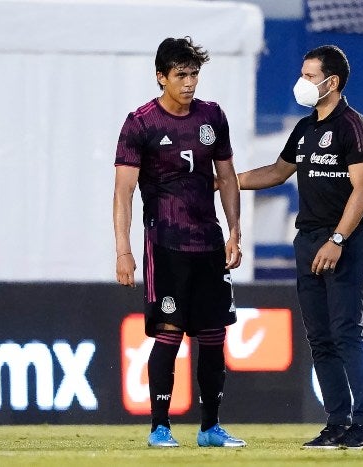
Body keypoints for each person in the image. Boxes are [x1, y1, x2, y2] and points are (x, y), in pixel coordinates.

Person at [237, 45, 363, 450]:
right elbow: (276, 171)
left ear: (331, 82)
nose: (301, 82)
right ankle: (337, 422)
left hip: (342, 242)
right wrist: (225, 181)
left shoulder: (354, 127)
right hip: (306, 241)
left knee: (345, 333)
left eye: (308, 75)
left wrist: (338, 239)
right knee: (319, 337)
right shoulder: (305, 128)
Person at [113, 36, 245, 448]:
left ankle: (210, 428)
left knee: (214, 337)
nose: (189, 83)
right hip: (166, 243)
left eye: (194, 74)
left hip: (209, 242)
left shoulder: (212, 117)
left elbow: (227, 177)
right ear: (161, 77)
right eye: (181, 75)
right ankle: (160, 427)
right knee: (169, 335)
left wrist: (235, 231)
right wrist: (124, 250)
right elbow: (123, 193)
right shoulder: (141, 123)